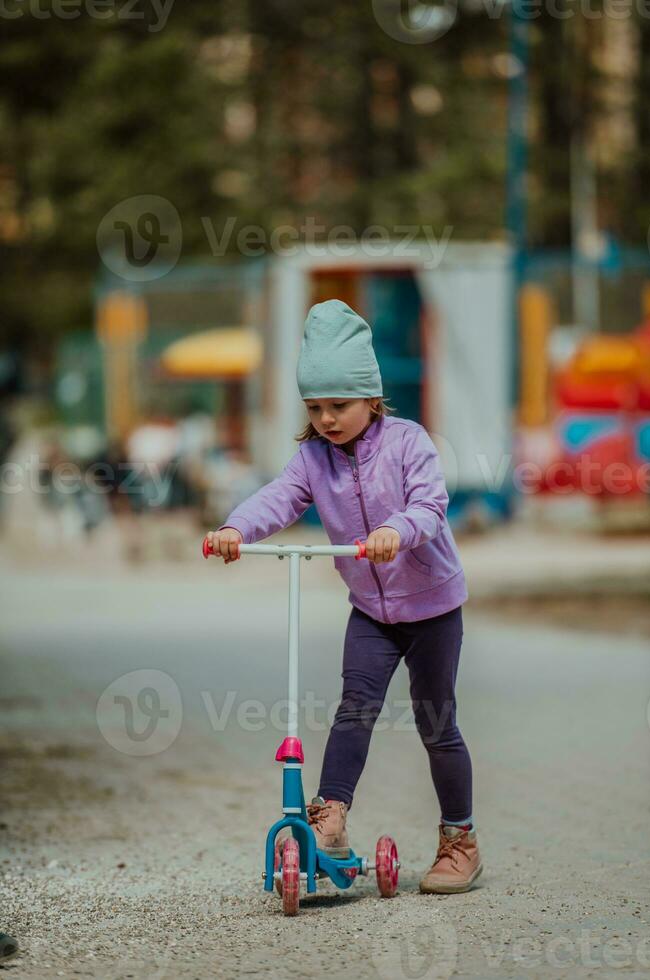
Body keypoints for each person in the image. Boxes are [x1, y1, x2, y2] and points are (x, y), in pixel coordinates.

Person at [206, 299, 482, 894]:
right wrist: (235, 529)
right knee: (354, 707)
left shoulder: (408, 443)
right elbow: (278, 498)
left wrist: (396, 532)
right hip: (372, 612)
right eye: (315, 407)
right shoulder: (311, 459)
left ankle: (459, 838)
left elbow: (430, 507)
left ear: (371, 399)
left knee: (437, 722)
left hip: (432, 606)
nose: (327, 418)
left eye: (340, 405)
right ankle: (329, 817)